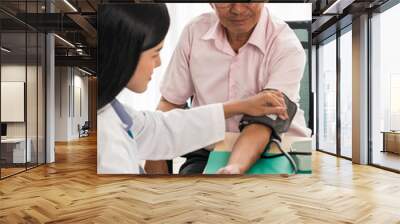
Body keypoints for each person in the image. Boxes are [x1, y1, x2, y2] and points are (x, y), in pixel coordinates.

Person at [97, 3, 289, 174]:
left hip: (266, 151)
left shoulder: (116, 114)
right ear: (126, 54)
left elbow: (161, 128)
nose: (159, 63)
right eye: (156, 53)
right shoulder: (109, 145)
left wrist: (240, 106)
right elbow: (169, 110)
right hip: (206, 153)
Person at [145, 3, 311, 175]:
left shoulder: (286, 45)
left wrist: (234, 168)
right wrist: (155, 157)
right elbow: (171, 101)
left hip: (275, 148)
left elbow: (264, 122)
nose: (237, 9)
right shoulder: (194, 32)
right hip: (209, 150)